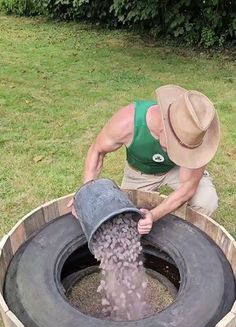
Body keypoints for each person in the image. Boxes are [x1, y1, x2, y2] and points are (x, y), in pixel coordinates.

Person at [69, 84, 220, 235]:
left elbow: (188, 187)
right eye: (177, 148)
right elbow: (97, 151)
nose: (179, 152)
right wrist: (86, 195)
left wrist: (153, 215)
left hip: (175, 169)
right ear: (164, 129)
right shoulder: (128, 123)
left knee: (206, 201)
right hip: (139, 172)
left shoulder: (198, 136)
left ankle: (184, 238)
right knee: (125, 216)